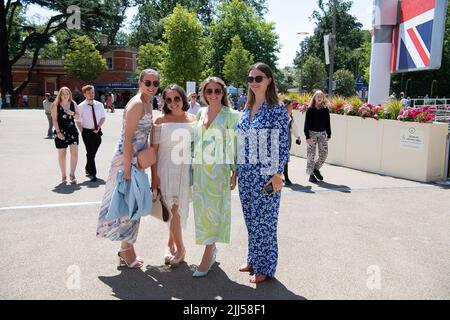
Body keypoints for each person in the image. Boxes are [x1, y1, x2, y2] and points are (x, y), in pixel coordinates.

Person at [96, 69, 158, 269]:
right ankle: (125, 250)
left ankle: (127, 248)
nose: (151, 87)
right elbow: (128, 137)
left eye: (155, 84)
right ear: (140, 82)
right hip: (126, 161)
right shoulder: (138, 104)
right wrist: (129, 170)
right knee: (128, 205)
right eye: (147, 82)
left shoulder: (148, 103)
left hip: (136, 161)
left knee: (133, 205)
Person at [236, 62, 290, 284]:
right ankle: (253, 259)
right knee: (251, 219)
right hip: (245, 175)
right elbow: (240, 142)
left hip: (266, 175)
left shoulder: (276, 110)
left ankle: (265, 267)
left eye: (259, 78)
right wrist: (236, 171)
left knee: (265, 222)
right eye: (250, 79)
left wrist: (278, 175)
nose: (254, 83)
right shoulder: (246, 109)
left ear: (269, 80)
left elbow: (283, 145)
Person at [192, 77, 240, 277]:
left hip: (218, 173)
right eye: (209, 91)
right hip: (199, 172)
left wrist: (234, 171)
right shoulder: (200, 112)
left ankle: (208, 252)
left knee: (214, 212)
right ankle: (211, 248)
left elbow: (234, 146)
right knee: (202, 213)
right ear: (204, 93)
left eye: (217, 91)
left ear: (223, 93)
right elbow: (195, 142)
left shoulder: (232, 116)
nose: (213, 95)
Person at [150, 84, 196, 267]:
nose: (173, 103)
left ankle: (169, 245)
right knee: (172, 209)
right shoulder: (159, 121)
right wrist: (154, 177)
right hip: (165, 169)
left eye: (176, 98)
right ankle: (181, 248)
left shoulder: (193, 119)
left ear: (183, 98)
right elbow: (153, 151)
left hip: (184, 170)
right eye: (168, 99)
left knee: (175, 210)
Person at [76, 85, 106, 182]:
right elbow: (78, 121)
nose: (91, 94)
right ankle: (93, 173)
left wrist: (98, 127)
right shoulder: (80, 107)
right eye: (88, 93)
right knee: (90, 152)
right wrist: (83, 132)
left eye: (92, 92)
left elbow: (103, 118)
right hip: (87, 132)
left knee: (92, 153)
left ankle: (88, 167)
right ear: (84, 94)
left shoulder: (99, 105)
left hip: (97, 131)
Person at [51, 87, 80, 185]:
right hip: (61, 131)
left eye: (67, 93)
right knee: (62, 155)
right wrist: (58, 132)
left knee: (74, 153)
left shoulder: (73, 104)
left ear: (70, 94)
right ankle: (64, 175)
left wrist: (72, 113)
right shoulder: (55, 105)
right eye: (63, 93)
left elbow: (78, 117)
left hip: (72, 130)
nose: (65, 95)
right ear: (60, 94)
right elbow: (54, 120)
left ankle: (72, 174)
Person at [304, 90, 331, 183]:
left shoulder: (325, 109)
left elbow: (328, 122)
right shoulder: (310, 109)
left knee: (324, 153)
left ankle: (316, 168)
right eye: (317, 96)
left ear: (323, 98)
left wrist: (329, 133)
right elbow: (306, 124)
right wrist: (307, 136)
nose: (319, 98)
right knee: (311, 154)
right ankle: (311, 174)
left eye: (321, 96)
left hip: (323, 133)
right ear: (314, 98)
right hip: (312, 134)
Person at [282, 98, 302, 185]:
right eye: (290, 106)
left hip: (287, 140)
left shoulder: (290, 117)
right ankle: (285, 177)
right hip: (279, 140)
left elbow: (294, 128)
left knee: (284, 160)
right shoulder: (282, 116)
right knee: (281, 160)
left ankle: (284, 177)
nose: (292, 107)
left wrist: (298, 137)